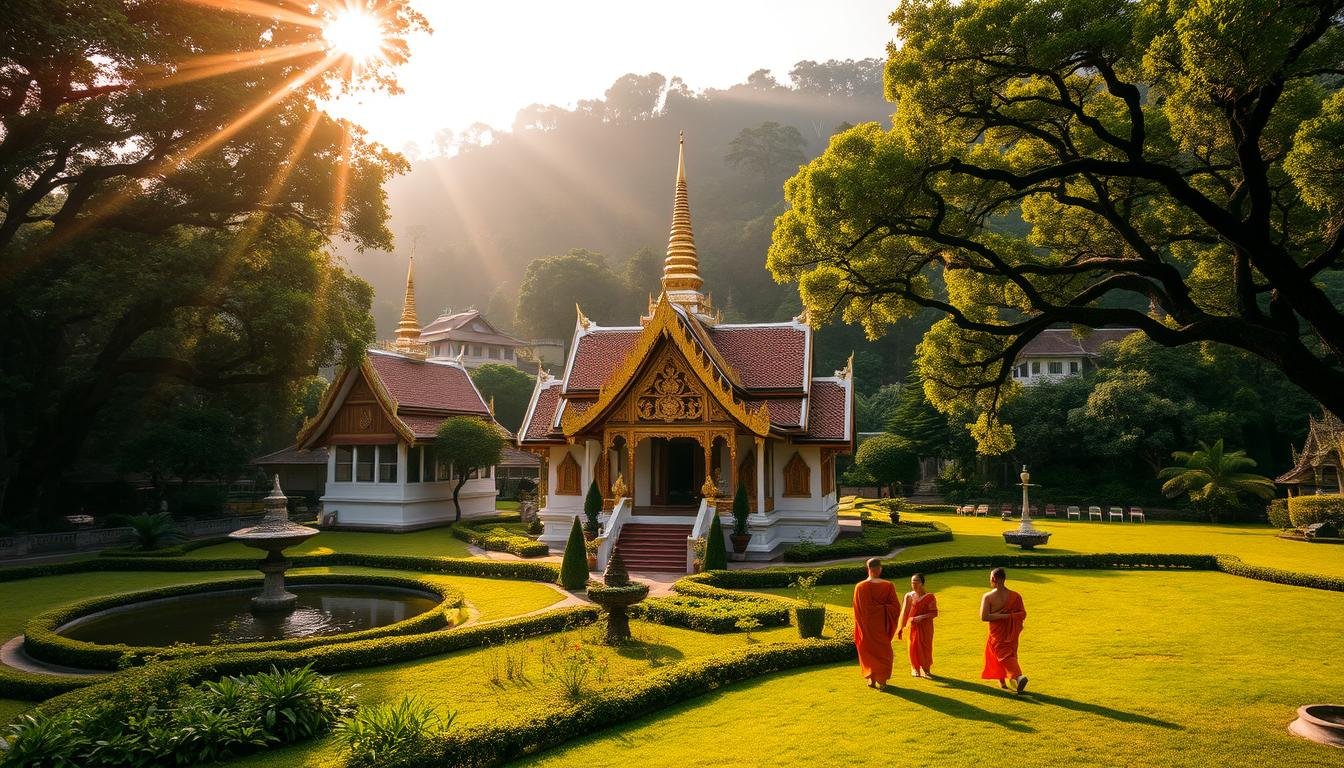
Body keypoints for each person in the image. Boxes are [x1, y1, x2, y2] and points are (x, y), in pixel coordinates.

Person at [852, 557, 901, 689]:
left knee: (867, 652)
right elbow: (895, 608)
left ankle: (871, 678)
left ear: (868, 569)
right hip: (882, 627)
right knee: (884, 653)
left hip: (866, 628)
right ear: (880, 569)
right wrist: (883, 609)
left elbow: (858, 612)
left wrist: (860, 628)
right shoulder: (888, 585)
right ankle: (881, 680)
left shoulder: (860, 587)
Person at [980, 566, 1028, 693]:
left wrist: (1005, 616)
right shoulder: (1015, 595)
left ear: (993, 579)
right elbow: (1022, 614)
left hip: (1000, 632)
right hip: (1009, 630)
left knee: (1004, 655)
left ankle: (1018, 677)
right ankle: (1002, 681)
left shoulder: (988, 597)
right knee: (1004, 654)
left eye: (990, 578)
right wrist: (1009, 616)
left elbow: (984, 617)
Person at [897, 572, 937, 678]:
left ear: (922, 583)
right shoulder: (908, 596)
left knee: (925, 648)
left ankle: (926, 670)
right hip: (912, 627)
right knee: (912, 647)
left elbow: (934, 613)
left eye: (916, 581)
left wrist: (921, 617)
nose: (914, 584)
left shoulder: (929, 597)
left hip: (926, 627)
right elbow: (904, 612)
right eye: (912, 582)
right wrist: (900, 628)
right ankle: (915, 668)